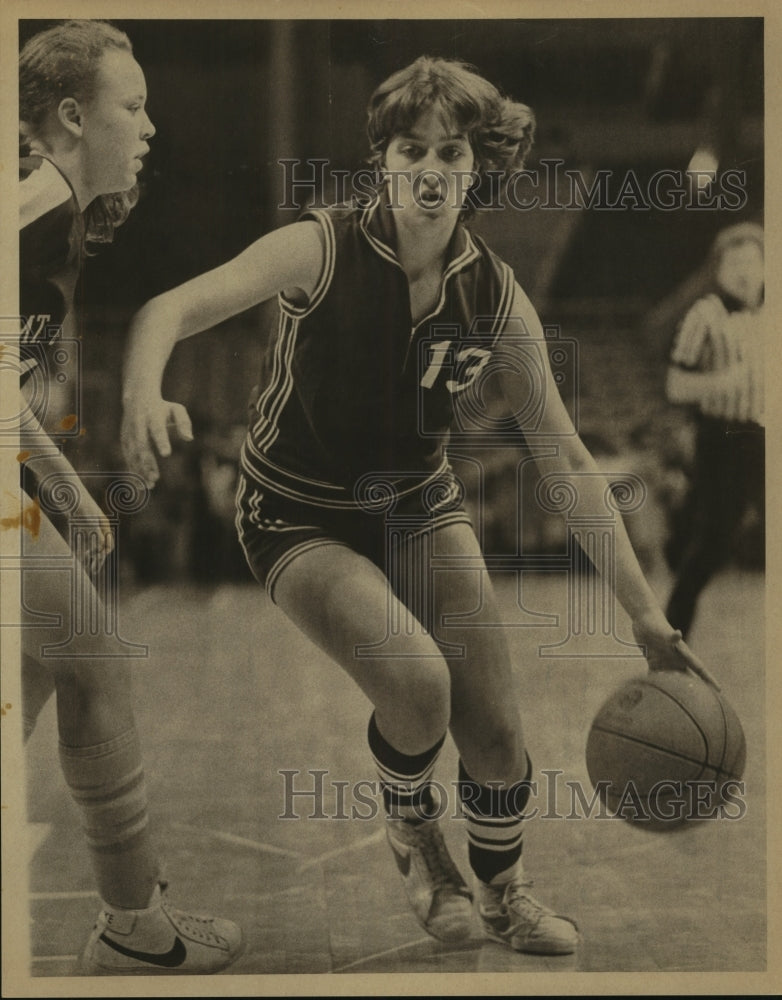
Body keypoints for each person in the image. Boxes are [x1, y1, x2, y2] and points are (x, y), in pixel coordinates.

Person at [121, 56, 712, 956]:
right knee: (417, 683)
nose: (430, 168)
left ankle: (505, 888)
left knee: (498, 727)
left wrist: (644, 613)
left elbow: (566, 458)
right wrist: (138, 395)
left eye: (451, 151)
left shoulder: (494, 295)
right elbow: (168, 307)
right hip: (296, 510)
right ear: (382, 160)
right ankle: (413, 831)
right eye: (411, 148)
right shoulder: (319, 247)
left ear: (476, 168)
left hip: (415, 502)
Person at [17, 20, 243, 974]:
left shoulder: (48, 210)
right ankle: (131, 924)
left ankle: (130, 914)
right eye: (133, 105)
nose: (150, 126)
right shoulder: (28, 205)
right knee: (96, 659)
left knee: (33, 678)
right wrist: (66, 488)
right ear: (72, 116)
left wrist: (60, 486)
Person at [664, 223, 764, 638]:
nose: (743, 272)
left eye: (752, 262)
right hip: (722, 436)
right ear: (718, 270)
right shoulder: (704, 315)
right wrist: (720, 383)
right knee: (714, 542)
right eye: (733, 263)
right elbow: (674, 385)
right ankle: (672, 634)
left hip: (763, 433)